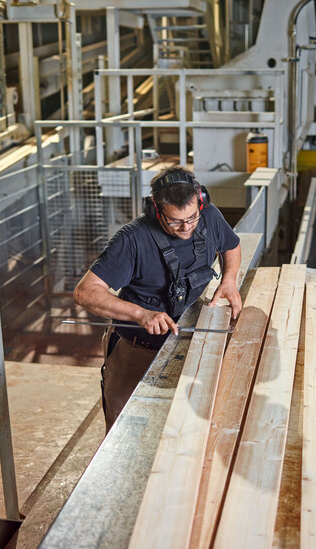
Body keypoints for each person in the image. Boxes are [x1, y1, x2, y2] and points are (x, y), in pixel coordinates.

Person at [74, 165, 242, 432]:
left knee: (182, 427)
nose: (186, 227)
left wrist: (229, 280)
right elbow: (86, 292)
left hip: (190, 341)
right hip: (138, 347)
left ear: (200, 202)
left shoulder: (208, 216)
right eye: (174, 221)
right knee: (126, 428)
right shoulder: (131, 240)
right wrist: (140, 314)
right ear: (155, 209)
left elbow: (231, 245)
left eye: (191, 218)